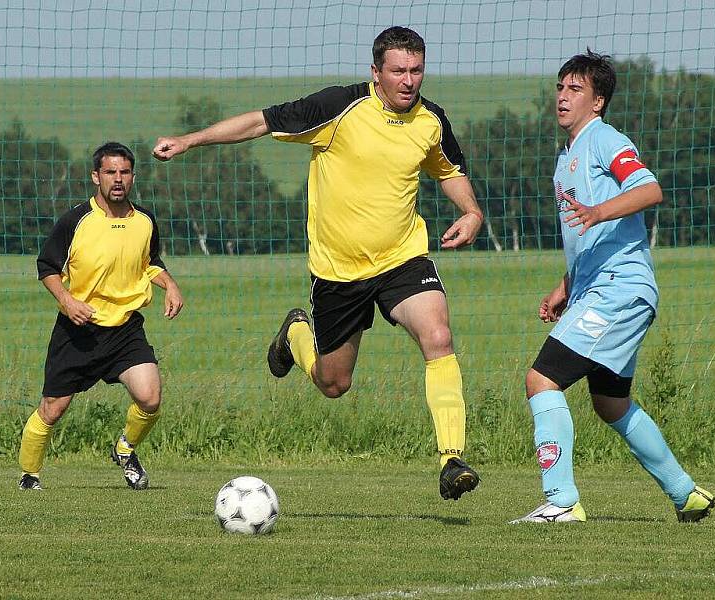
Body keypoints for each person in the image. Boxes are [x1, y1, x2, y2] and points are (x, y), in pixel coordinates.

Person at [153, 26, 482, 500]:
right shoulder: (338, 107)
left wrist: (470, 211)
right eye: (398, 71)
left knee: (438, 335)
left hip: (402, 257)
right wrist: (191, 139)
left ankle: (451, 458)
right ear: (376, 73)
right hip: (339, 271)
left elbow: (449, 169)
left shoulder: (432, 120)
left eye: (416, 70)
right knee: (333, 383)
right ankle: (295, 333)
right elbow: (262, 121)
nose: (409, 81)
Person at [510, 50, 715, 523]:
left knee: (541, 379)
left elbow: (650, 190)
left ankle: (561, 502)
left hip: (620, 289)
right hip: (601, 288)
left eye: (575, 89)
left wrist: (599, 211)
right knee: (610, 402)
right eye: (560, 87)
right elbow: (590, 236)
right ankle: (687, 495)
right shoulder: (567, 158)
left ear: (598, 101)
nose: (562, 96)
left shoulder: (604, 140)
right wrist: (566, 285)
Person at [18, 141, 184, 491]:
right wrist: (66, 300)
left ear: (133, 177)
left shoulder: (145, 221)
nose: (118, 179)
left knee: (151, 397)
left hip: (125, 329)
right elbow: (46, 266)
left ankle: (125, 450)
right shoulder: (76, 221)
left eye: (124, 172)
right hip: (78, 331)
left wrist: (170, 285)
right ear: (96, 177)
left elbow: (150, 262)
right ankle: (29, 475)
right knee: (52, 410)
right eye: (110, 172)